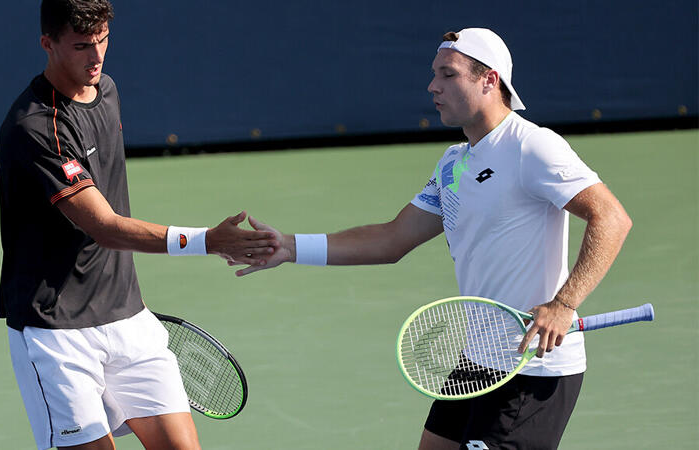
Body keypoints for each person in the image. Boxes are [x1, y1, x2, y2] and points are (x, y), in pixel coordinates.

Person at [234, 28, 632, 449]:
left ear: (489, 80)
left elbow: (611, 217)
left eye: (447, 74)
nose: (432, 86)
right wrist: (291, 247)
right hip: (478, 359)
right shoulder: (453, 163)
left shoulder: (532, 146)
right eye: (434, 74)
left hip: (531, 367)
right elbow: (392, 238)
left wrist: (564, 303)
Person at [0, 1, 277, 449]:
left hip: (128, 318)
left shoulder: (106, 90)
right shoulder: (35, 126)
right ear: (47, 44)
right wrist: (207, 241)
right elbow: (104, 226)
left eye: (103, 40)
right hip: (58, 333)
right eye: (81, 46)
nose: (96, 56)